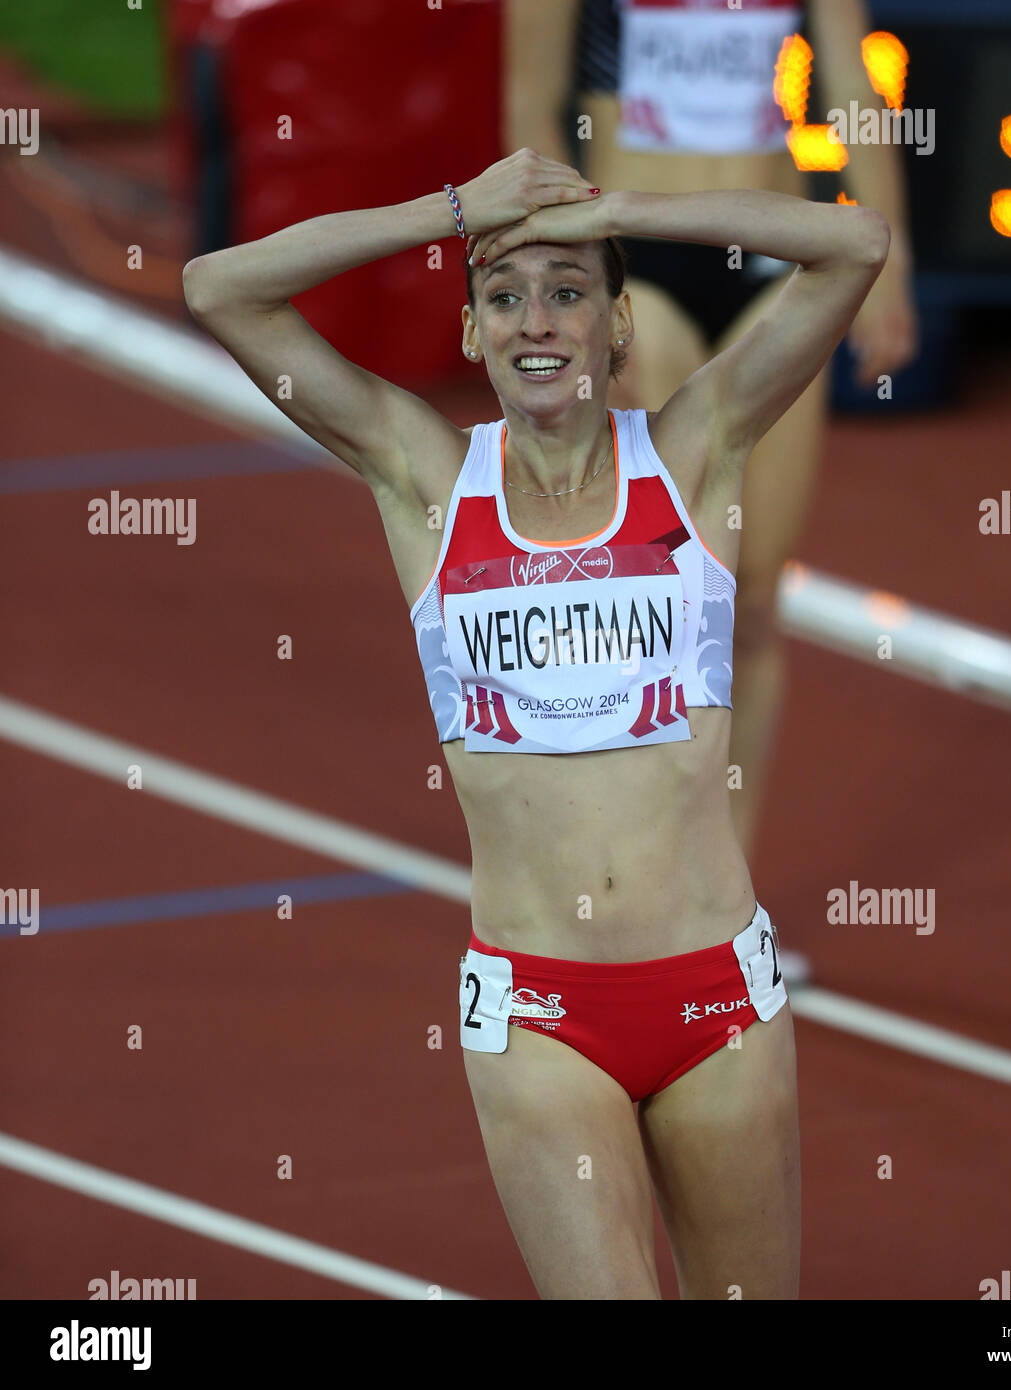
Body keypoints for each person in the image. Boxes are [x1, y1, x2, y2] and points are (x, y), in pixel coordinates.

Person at [182, 147, 889, 1298]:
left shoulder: (696, 449)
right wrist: (458, 210)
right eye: (502, 297)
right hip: (539, 1013)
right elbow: (220, 287)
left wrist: (610, 207)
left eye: (567, 291)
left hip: (718, 1001)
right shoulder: (421, 477)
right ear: (471, 336)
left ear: (616, 325)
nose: (534, 320)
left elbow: (852, 245)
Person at [505, 0, 919, 923]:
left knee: (755, 601)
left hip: (770, 257)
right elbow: (529, 103)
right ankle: (623, 870)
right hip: (634, 264)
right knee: (660, 596)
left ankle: (723, 902)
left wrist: (895, 261)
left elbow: (852, 84)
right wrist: (559, 283)